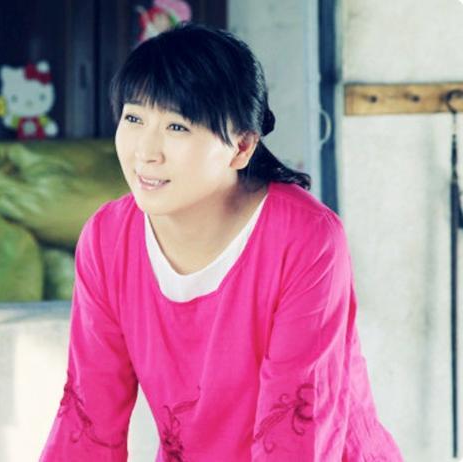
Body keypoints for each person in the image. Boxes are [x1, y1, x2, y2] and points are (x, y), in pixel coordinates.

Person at [39, 22, 403, 461]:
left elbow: (296, 435)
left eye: (177, 127)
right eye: (134, 118)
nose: (145, 152)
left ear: (242, 147)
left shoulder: (305, 239)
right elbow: (87, 418)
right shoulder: (107, 239)